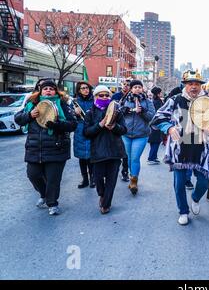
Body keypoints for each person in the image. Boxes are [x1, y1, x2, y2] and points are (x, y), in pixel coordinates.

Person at [151, 70, 209, 226]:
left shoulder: (208, 102)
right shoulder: (174, 100)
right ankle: (183, 211)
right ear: (185, 85)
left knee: (204, 182)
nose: (194, 87)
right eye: (190, 83)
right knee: (179, 183)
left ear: (201, 85)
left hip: (202, 148)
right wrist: (169, 128)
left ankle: (195, 198)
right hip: (180, 147)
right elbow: (158, 117)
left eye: (197, 84)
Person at [14, 79, 77, 216]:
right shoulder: (32, 104)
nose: (48, 90)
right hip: (35, 148)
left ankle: (52, 203)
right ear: (41, 91)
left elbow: (72, 124)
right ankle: (44, 194)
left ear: (56, 91)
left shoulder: (63, 104)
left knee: (53, 179)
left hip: (57, 148)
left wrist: (56, 124)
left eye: (51, 88)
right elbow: (18, 119)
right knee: (33, 175)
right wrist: (29, 116)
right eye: (45, 88)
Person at [84, 86, 127, 214]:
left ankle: (106, 204)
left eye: (106, 95)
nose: (104, 98)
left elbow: (124, 130)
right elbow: (86, 132)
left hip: (115, 150)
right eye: (101, 95)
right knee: (98, 179)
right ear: (95, 96)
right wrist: (100, 125)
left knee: (111, 179)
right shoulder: (90, 112)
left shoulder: (117, 111)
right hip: (98, 152)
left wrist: (114, 126)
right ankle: (102, 194)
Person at [121, 80, 156, 195]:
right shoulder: (125, 99)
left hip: (141, 135)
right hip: (126, 134)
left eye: (139, 87)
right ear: (131, 89)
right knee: (129, 158)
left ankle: (134, 181)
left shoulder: (147, 101)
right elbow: (118, 113)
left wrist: (142, 112)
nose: (137, 89)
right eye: (135, 87)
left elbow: (151, 117)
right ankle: (132, 177)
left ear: (142, 89)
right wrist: (125, 111)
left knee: (135, 158)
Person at [73, 81, 95, 189]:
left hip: (91, 129)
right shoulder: (75, 102)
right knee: (82, 157)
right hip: (80, 131)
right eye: (83, 88)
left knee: (91, 156)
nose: (85, 90)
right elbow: (69, 117)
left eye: (87, 88)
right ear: (79, 90)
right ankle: (85, 179)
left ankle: (92, 179)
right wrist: (74, 113)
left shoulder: (95, 100)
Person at [112, 79, 131, 182]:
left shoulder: (132, 97)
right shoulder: (115, 96)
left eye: (128, 85)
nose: (126, 86)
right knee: (116, 151)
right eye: (124, 84)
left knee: (125, 153)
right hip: (115, 127)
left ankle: (125, 172)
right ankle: (113, 172)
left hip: (126, 128)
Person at [147, 87, 164, 165]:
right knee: (156, 141)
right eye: (160, 92)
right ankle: (151, 158)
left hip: (153, 125)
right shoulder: (157, 102)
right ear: (158, 93)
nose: (161, 94)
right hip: (156, 125)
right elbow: (158, 114)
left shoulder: (154, 101)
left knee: (154, 142)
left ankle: (154, 156)